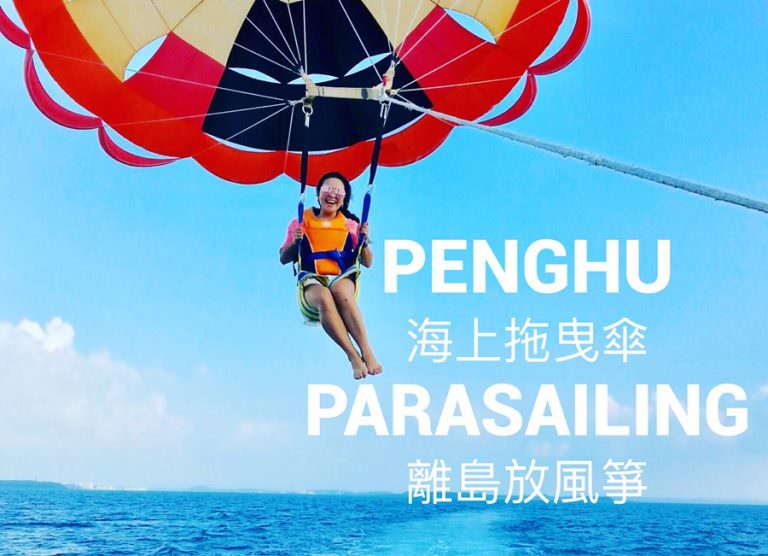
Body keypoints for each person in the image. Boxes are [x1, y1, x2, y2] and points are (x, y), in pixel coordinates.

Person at [280, 172, 383, 380]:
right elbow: (284, 258)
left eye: (338, 191)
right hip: (312, 278)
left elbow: (368, 262)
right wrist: (296, 242)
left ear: (344, 198)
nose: (332, 195)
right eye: (328, 189)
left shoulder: (350, 224)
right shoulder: (301, 221)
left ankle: (367, 351)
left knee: (339, 291)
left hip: (342, 276)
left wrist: (364, 240)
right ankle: (353, 356)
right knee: (325, 296)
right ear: (318, 193)